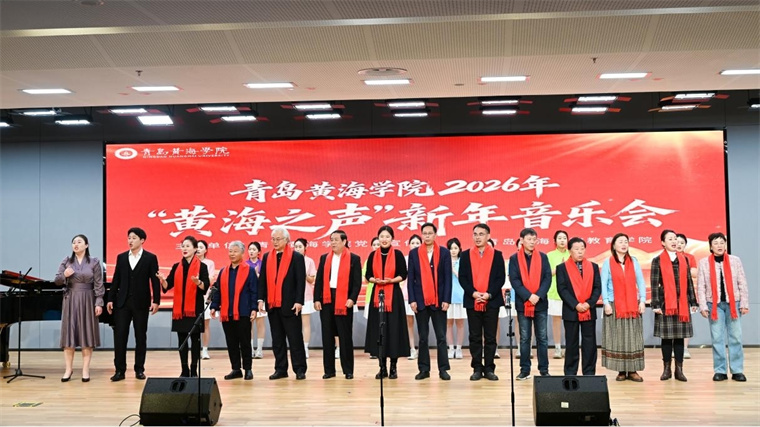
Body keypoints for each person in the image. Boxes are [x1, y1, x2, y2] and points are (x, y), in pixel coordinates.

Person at [106, 227, 160, 382]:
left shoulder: (150, 258)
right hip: (122, 303)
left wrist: (156, 301)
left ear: (142, 240)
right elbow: (116, 279)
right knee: (120, 336)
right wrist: (110, 299)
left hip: (141, 303)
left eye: (134, 238)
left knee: (140, 336)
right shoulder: (122, 257)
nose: (130, 240)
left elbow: (155, 281)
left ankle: (139, 369)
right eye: (129, 237)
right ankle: (119, 370)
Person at [697, 232, 749, 382]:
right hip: (714, 305)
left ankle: (737, 370)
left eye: (721, 242)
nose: (719, 245)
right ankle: (720, 370)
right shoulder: (704, 263)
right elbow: (700, 286)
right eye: (716, 243)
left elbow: (742, 282)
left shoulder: (735, 260)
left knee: (736, 337)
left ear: (725, 245)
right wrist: (702, 306)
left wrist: (744, 303)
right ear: (710, 246)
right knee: (717, 338)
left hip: (734, 304)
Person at [258, 226, 308, 380]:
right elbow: (263, 280)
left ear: (286, 240)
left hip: (291, 305)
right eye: (273, 239)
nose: (275, 242)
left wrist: (299, 301)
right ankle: (280, 369)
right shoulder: (267, 257)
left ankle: (300, 369)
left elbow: (300, 281)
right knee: (277, 340)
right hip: (273, 305)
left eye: (278, 239)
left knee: (295, 339)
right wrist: (260, 299)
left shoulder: (296, 257)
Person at [157, 236, 210, 377]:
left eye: (187, 246)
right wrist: (162, 280)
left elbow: (205, 287)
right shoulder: (176, 266)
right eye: (183, 246)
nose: (184, 249)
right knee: (182, 340)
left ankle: (194, 369)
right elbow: (168, 285)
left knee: (195, 340)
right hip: (179, 310)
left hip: (195, 309)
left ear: (195, 249)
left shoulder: (202, 267)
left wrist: (198, 282)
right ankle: (184, 369)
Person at [54, 234, 104, 382]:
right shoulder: (67, 261)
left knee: (87, 334)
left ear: (86, 245)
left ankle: (85, 370)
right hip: (71, 299)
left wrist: (99, 302)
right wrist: (64, 275)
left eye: (79, 242)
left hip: (88, 299)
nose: (76, 244)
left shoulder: (94, 262)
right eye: (73, 242)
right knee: (69, 335)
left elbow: (98, 284)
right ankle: (68, 369)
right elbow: (57, 280)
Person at [459, 223, 506, 381]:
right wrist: (473, 293)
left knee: (490, 337)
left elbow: (500, 278)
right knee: (475, 336)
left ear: (488, 236)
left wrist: (488, 294)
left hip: (491, 301)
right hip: (472, 300)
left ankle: (489, 368)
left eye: (481, 234)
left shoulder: (497, 255)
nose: (478, 237)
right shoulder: (465, 255)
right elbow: (463, 278)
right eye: (475, 234)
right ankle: (477, 368)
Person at [651, 229, 698, 382]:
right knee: (666, 338)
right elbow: (654, 284)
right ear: (663, 243)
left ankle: (679, 370)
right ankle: (666, 370)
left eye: (675, 238)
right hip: (665, 304)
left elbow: (689, 282)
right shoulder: (657, 260)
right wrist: (655, 304)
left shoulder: (684, 259)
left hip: (682, 303)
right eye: (670, 239)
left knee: (679, 338)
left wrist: (693, 301)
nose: (674, 241)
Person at [314, 230, 362, 380]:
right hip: (327, 299)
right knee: (327, 336)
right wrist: (317, 299)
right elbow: (319, 280)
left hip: (344, 300)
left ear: (344, 241)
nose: (333, 242)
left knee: (345, 336)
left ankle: (348, 370)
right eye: (331, 240)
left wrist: (352, 298)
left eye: (336, 240)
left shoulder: (354, 258)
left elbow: (357, 282)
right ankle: (329, 370)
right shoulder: (324, 258)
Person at [408, 223, 453, 380]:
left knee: (441, 336)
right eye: (424, 233)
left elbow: (448, 278)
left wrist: (446, 299)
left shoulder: (444, 253)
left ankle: (443, 369)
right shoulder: (414, 254)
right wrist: (412, 300)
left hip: (439, 301)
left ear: (435, 235)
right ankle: (424, 369)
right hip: (420, 300)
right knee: (423, 337)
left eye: (430, 233)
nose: (427, 236)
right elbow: (411, 279)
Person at [365, 225, 410, 379]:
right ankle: (382, 367)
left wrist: (390, 280)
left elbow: (403, 274)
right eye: (381, 237)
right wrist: (375, 280)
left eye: (387, 237)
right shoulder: (373, 255)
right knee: (380, 330)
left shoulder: (398, 254)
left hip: (394, 296)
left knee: (393, 330)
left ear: (392, 239)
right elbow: (368, 275)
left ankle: (393, 367)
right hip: (378, 296)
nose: (384, 239)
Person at [601, 233, 647, 382]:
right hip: (615, 305)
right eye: (620, 241)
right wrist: (606, 303)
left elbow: (640, 281)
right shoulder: (608, 262)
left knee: (633, 337)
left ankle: (633, 370)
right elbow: (603, 284)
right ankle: (621, 370)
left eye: (626, 241)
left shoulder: (634, 261)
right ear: (614, 245)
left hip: (632, 304)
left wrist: (642, 300)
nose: (623, 244)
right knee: (618, 338)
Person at [210, 241, 258, 380]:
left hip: (243, 312)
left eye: (235, 251)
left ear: (242, 253)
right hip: (227, 312)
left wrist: (254, 308)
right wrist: (214, 306)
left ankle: (248, 369)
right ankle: (236, 369)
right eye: (230, 251)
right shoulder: (224, 271)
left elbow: (254, 291)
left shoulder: (249, 270)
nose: (232, 254)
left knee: (245, 342)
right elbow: (218, 291)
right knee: (231, 342)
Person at [509, 227, 551, 381]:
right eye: (529, 239)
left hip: (540, 303)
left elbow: (547, 278)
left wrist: (538, 295)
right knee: (525, 338)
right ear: (521, 240)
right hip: (523, 304)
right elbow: (514, 280)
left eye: (534, 239)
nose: (532, 242)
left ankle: (544, 370)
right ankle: (525, 370)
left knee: (542, 338)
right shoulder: (514, 258)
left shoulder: (543, 257)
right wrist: (528, 296)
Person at [556, 237, 602, 376]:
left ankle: (589, 373)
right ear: (570, 251)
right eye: (576, 249)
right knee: (571, 343)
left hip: (589, 310)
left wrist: (588, 303)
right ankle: (570, 374)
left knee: (590, 344)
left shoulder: (593, 267)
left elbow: (597, 288)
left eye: (582, 248)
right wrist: (576, 304)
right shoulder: (562, 268)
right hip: (571, 311)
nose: (580, 252)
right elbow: (562, 289)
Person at [546, 230, 570, 359]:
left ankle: (568, 347)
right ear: (555, 241)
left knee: (569, 322)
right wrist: (559, 268)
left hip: (569, 293)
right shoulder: (549, 255)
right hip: (554, 292)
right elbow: (546, 274)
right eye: (559, 238)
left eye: (564, 238)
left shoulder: (571, 254)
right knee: (556, 321)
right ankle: (557, 348)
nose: (562, 240)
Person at [294, 238, 317, 359]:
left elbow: (312, 280)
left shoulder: (309, 261)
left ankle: (305, 347)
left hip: (306, 295)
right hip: (293, 296)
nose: (297, 249)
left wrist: (304, 274)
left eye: (300, 247)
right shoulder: (290, 260)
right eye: (296, 247)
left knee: (305, 323)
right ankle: (296, 348)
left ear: (305, 248)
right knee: (294, 324)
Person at [676, 233, 698, 359]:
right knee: (673, 322)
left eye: (682, 243)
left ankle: (684, 348)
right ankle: (674, 348)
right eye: (677, 242)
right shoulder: (668, 257)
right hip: (671, 295)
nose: (679, 245)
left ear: (685, 245)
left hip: (686, 294)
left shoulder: (689, 257)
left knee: (686, 322)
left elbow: (694, 273)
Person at [446, 238, 467, 359]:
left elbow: (462, 277)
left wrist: (453, 269)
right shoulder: (444, 261)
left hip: (460, 296)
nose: (453, 251)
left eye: (455, 248)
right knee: (448, 323)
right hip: (448, 296)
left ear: (459, 249)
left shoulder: (463, 261)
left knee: (460, 323)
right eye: (451, 248)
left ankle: (459, 348)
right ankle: (450, 348)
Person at [197, 240, 216, 360]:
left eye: (201, 247)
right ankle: (195, 349)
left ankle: (204, 350)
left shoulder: (209, 263)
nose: (198, 249)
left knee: (205, 325)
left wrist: (199, 281)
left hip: (205, 297)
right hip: (193, 297)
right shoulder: (191, 262)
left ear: (206, 250)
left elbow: (211, 279)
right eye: (197, 247)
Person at [404, 234, 422, 360]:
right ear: (409, 244)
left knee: (422, 324)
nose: (415, 245)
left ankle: (422, 348)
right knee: (409, 323)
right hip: (406, 294)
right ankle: (412, 349)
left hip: (421, 294)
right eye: (413, 243)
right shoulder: (405, 258)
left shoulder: (424, 258)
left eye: (417, 243)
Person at [247, 242, 266, 359]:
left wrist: (258, 276)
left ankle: (259, 349)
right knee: (248, 324)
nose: (251, 251)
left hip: (261, 296)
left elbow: (266, 281)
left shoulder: (263, 264)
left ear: (259, 252)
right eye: (250, 249)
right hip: (249, 297)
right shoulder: (245, 264)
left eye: (254, 249)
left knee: (260, 323)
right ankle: (250, 349)